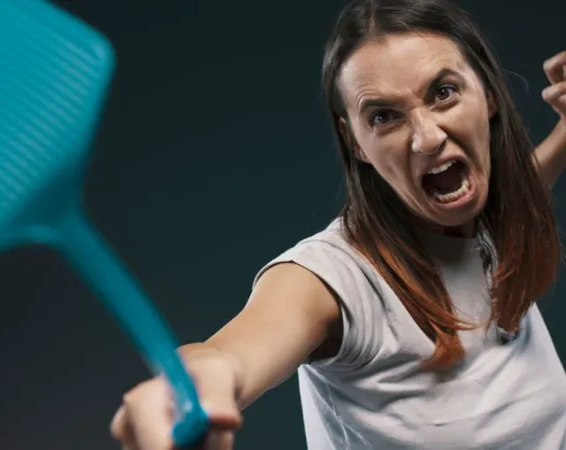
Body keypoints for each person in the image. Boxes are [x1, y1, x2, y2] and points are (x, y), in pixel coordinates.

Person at [109, 0, 566, 448]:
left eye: (443, 92)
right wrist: (197, 383)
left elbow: (524, 188)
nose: (427, 138)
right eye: (384, 117)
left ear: (487, 93)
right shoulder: (337, 279)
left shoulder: (485, 218)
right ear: (357, 144)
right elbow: (238, 349)